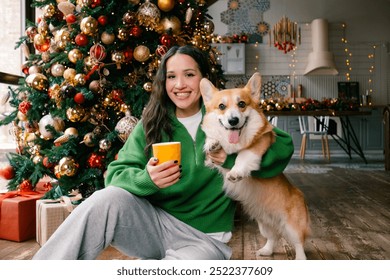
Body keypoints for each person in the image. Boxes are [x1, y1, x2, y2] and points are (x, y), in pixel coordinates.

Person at [33, 45, 294, 260]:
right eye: (171, 76)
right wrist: (147, 179)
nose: (179, 84)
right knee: (106, 199)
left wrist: (231, 158)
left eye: (189, 75)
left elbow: (282, 147)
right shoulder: (153, 122)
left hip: (205, 241)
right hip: (152, 226)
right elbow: (115, 175)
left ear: (204, 83)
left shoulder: (228, 119)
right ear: (164, 81)